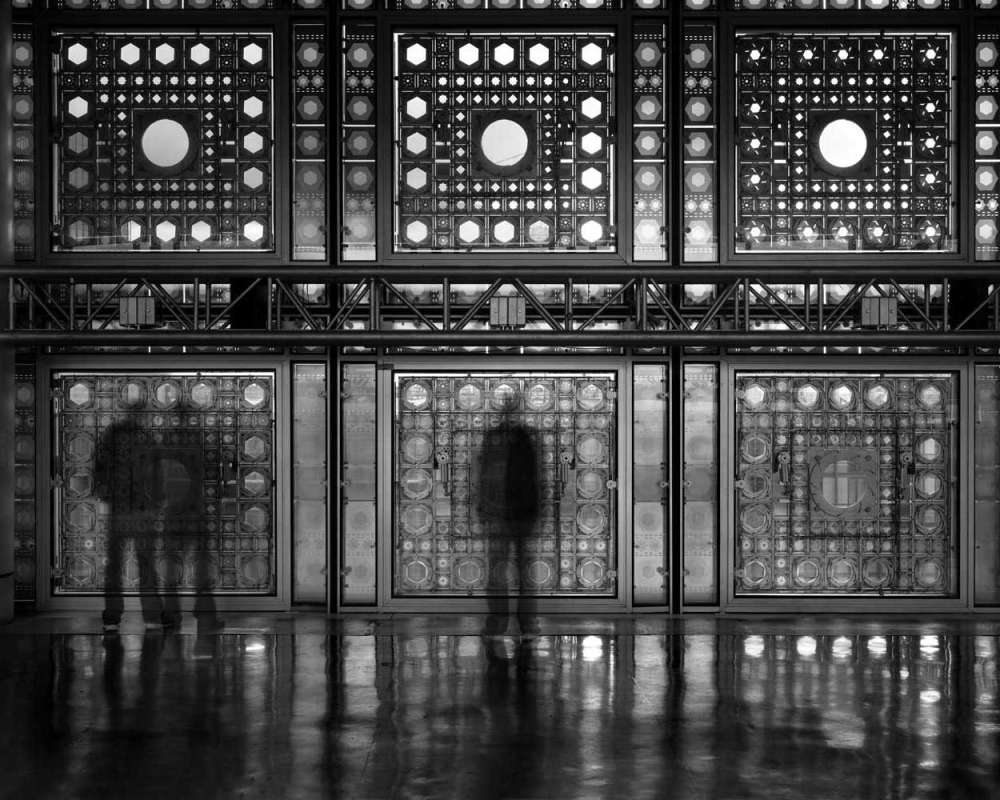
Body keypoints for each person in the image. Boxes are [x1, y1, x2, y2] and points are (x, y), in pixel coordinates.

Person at [477, 396, 541, 652]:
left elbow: (532, 476)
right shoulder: (515, 437)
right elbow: (484, 475)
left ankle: (515, 625)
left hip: (515, 513)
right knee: (504, 573)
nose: (507, 413)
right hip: (505, 513)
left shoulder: (517, 438)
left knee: (512, 572)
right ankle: (508, 625)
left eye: (510, 409)